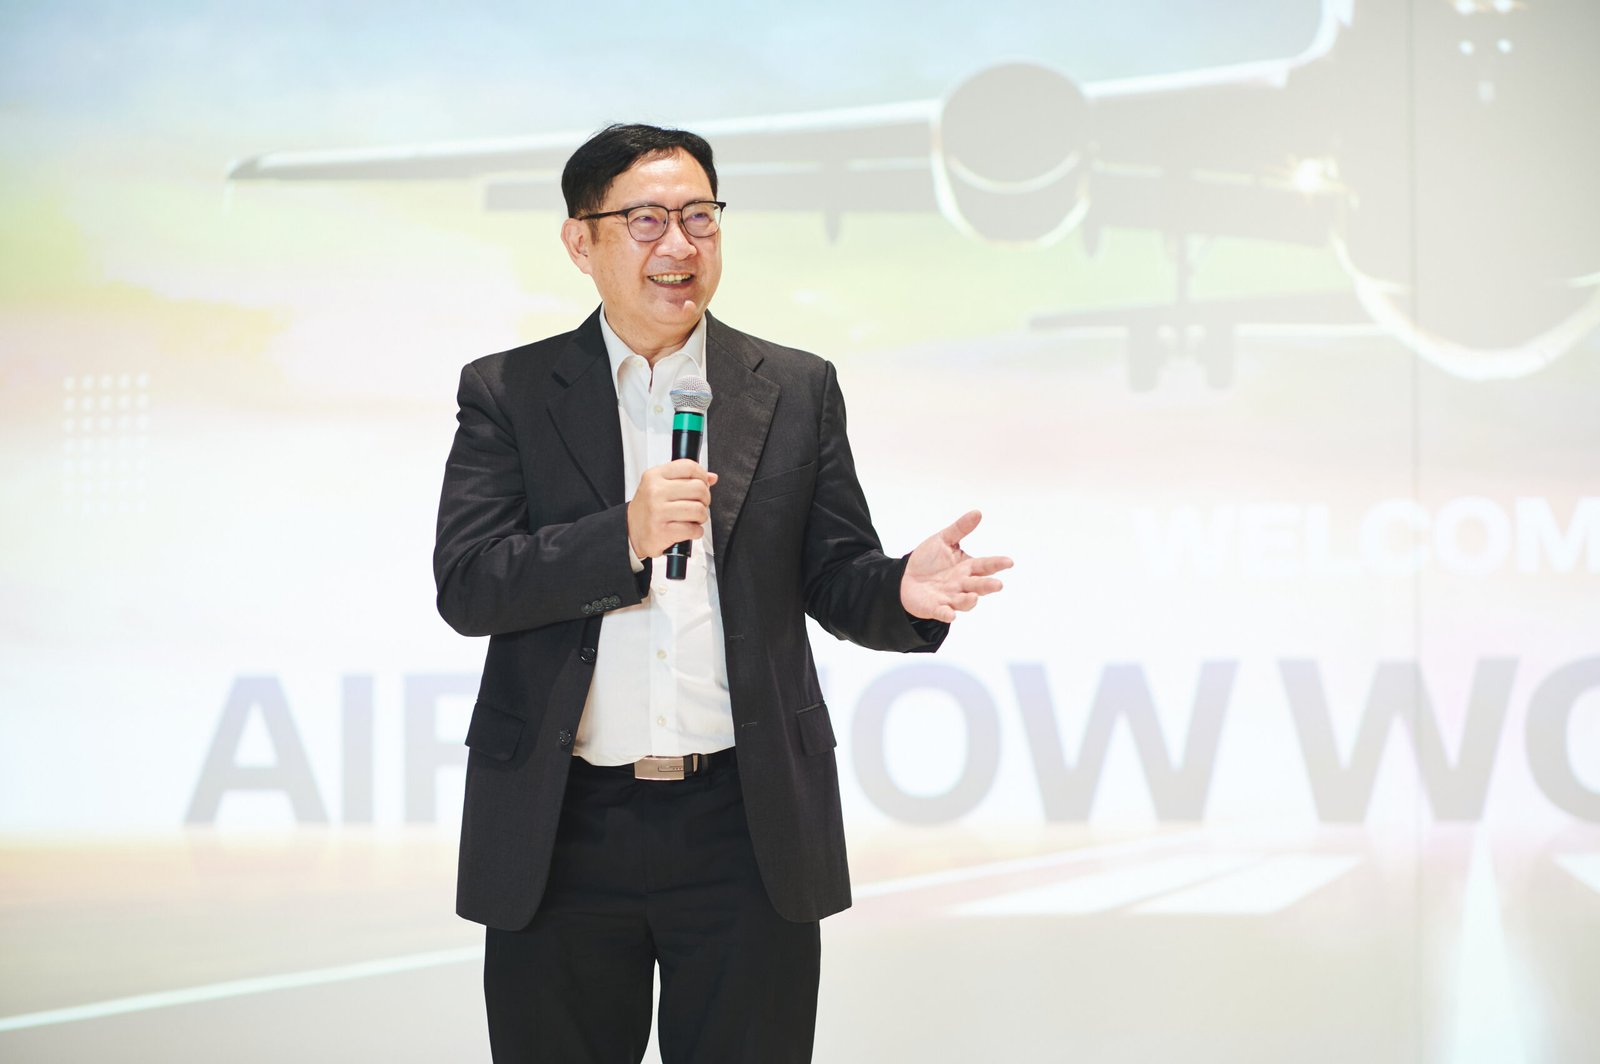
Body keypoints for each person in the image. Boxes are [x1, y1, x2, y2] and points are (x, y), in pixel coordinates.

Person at [433, 122, 1010, 1064]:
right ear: (580, 242)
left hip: (744, 827)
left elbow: (835, 573)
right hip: (563, 828)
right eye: (647, 220)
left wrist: (902, 590)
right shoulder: (511, 390)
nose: (680, 244)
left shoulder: (793, 387)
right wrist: (623, 535)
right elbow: (469, 583)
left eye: (700, 217)